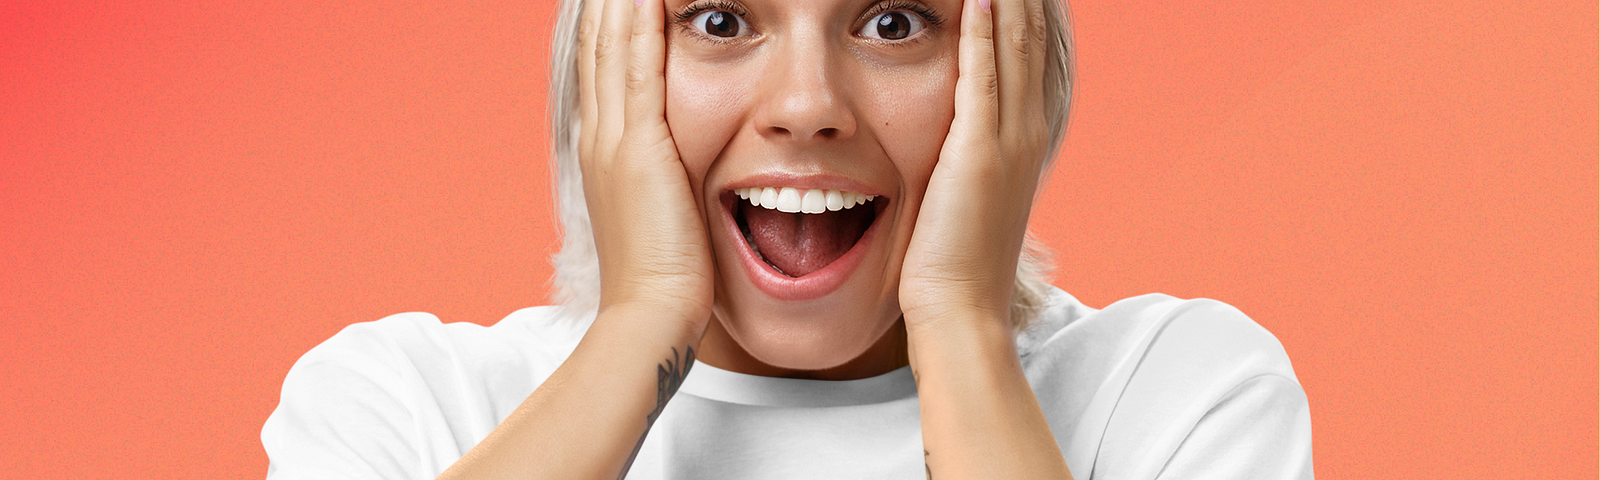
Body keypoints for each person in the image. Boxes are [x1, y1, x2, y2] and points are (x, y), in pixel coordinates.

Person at [261, 0, 1314, 477]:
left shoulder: (1176, 396)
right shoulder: (405, 402)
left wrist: (958, 327)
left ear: (1013, 75)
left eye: (893, 23)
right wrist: (639, 325)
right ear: (605, 65)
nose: (808, 105)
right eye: (720, 20)